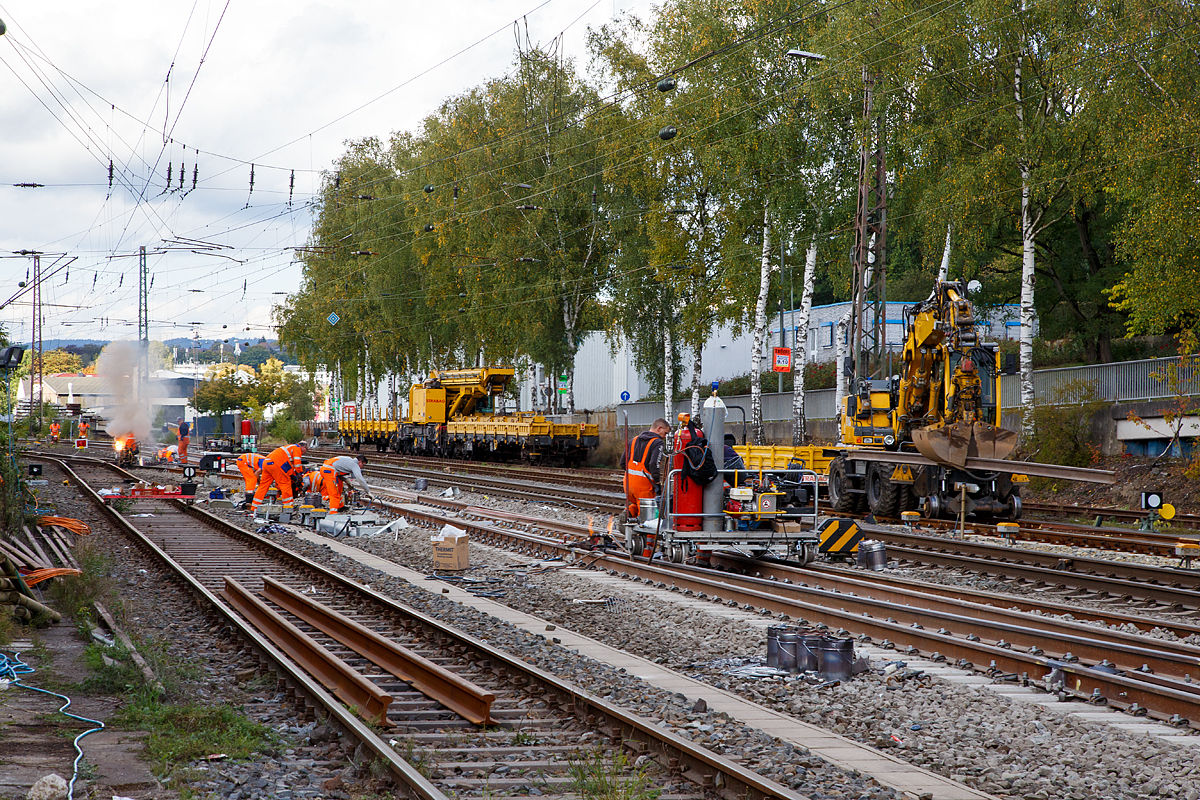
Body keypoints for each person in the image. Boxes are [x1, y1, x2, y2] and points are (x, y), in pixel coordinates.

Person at [623, 418, 670, 519]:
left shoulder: (633, 440)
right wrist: (657, 483)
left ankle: (630, 512)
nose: (665, 436)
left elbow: (623, 463)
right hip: (644, 487)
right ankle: (647, 535)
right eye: (665, 433)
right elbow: (654, 464)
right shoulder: (658, 443)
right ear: (659, 428)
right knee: (648, 519)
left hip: (628, 484)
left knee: (638, 504)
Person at [250, 440, 308, 514]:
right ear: (303, 447)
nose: (305, 452)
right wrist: (301, 474)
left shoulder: (289, 448)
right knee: (285, 485)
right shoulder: (297, 448)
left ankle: (254, 507)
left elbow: (290, 465)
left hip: (267, 462)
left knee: (263, 486)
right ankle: (288, 507)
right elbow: (297, 464)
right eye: (306, 450)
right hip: (276, 463)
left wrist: (292, 474)